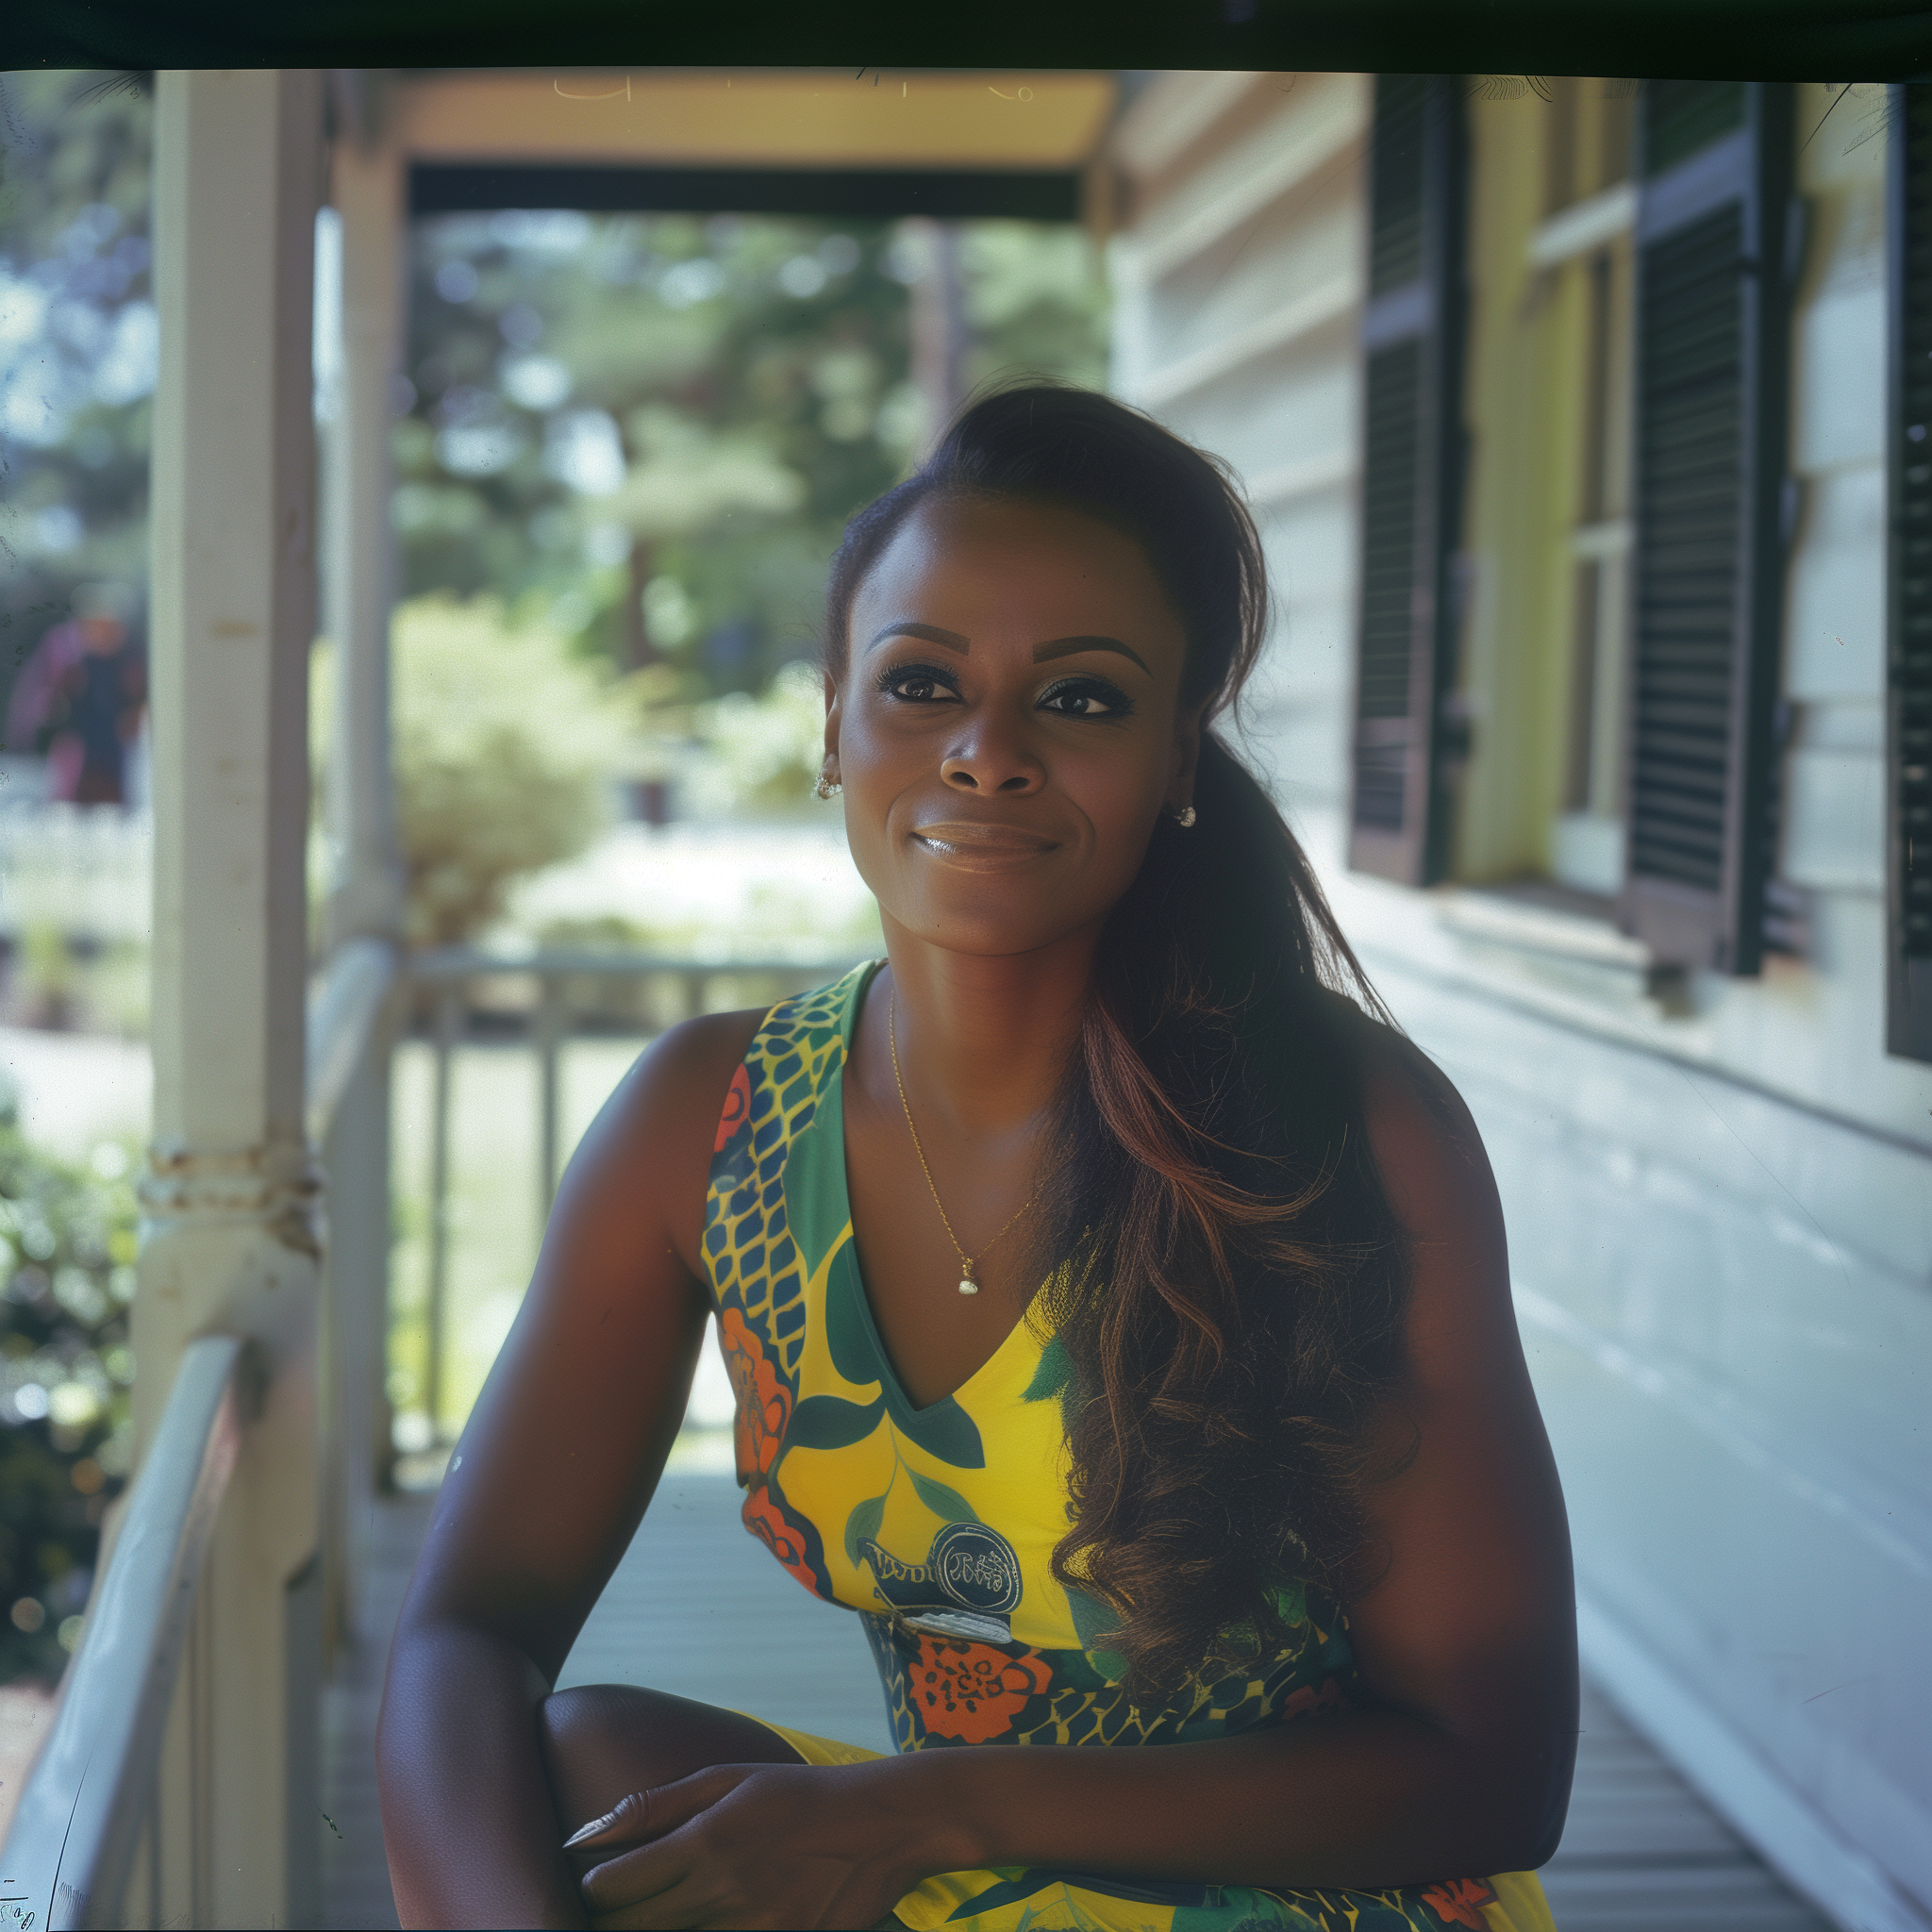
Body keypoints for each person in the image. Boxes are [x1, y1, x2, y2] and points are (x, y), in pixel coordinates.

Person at [377, 383, 1577, 1932]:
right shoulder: (717, 1123)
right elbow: (463, 1637)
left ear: (1178, 762)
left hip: (1321, 1899)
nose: (988, 754)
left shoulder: (1338, 1129)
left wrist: (909, 1808)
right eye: (923, 683)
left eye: (1079, 699)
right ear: (832, 725)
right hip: (970, 1879)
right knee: (586, 1768)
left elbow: (1492, 1771)